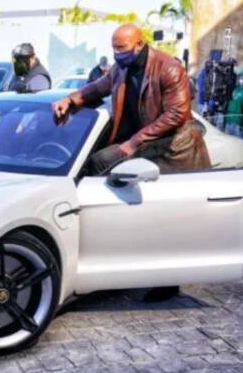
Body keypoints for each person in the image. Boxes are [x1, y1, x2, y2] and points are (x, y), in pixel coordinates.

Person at [52, 23, 211, 301]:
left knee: (166, 216)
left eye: (122, 48)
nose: (117, 53)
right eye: (114, 48)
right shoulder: (121, 68)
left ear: (140, 44)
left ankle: (167, 282)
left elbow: (176, 114)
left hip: (174, 148)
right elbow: (97, 88)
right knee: (104, 171)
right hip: (145, 143)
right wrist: (71, 99)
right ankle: (119, 266)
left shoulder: (169, 68)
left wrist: (133, 143)